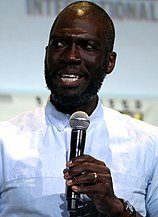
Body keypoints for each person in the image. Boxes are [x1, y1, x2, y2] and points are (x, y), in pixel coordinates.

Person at [0, 1, 158, 216]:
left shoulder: (149, 144)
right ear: (47, 53)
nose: (71, 56)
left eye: (87, 46)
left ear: (109, 62)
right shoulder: (4, 140)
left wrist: (118, 209)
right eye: (60, 44)